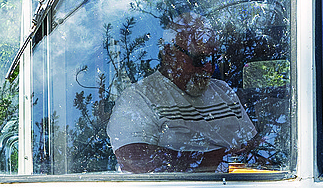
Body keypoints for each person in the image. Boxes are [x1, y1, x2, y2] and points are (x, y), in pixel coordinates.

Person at [107, 15, 256, 173]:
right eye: (200, 59)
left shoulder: (223, 90)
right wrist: (218, 159)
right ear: (169, 54)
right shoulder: (139, 97)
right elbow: (135, 161)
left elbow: (252, 147)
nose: (210, 68)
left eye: (214, 59)